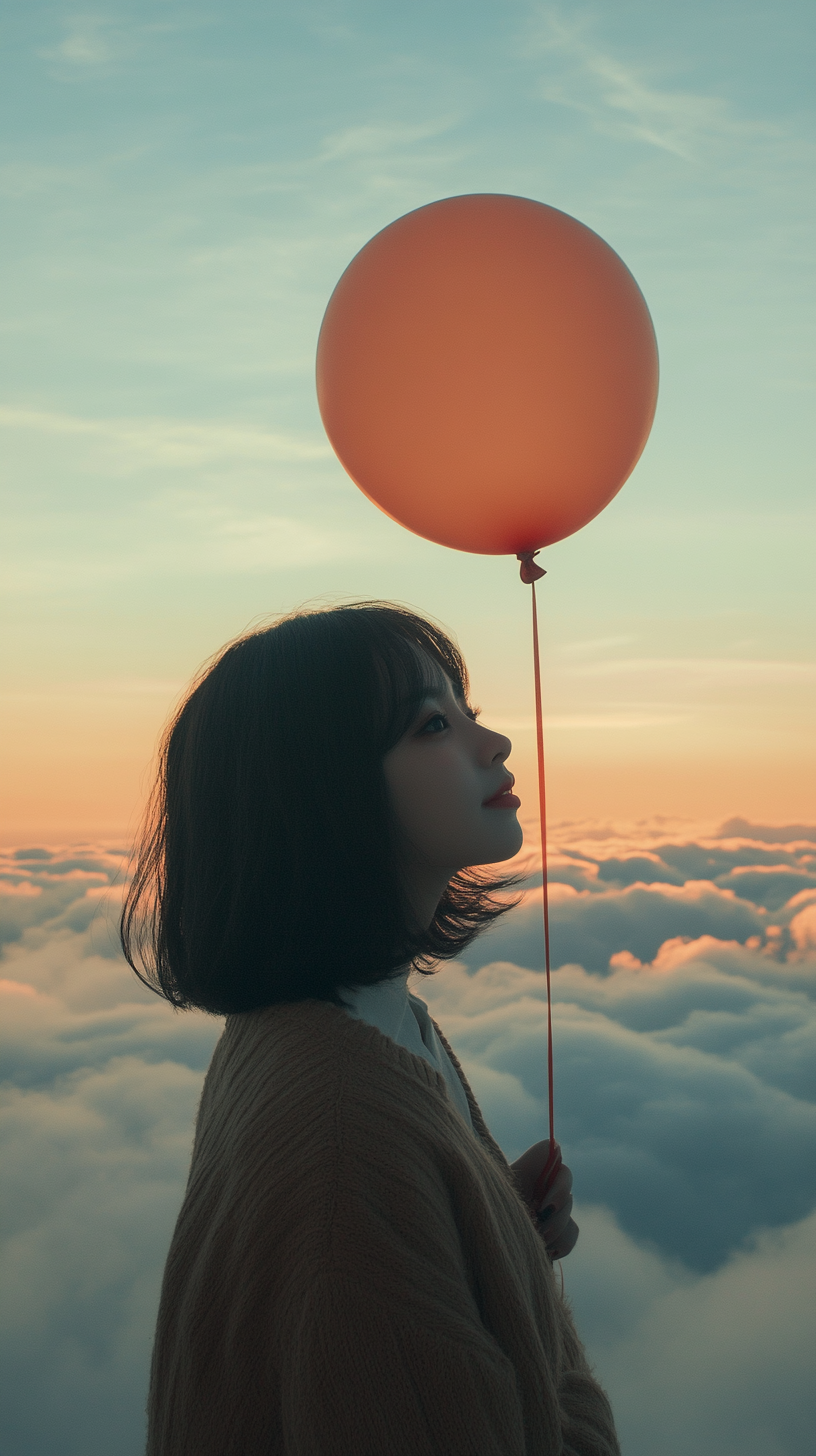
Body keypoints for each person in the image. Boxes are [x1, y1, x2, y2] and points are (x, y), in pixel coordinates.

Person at [121, 601, 619, 1456]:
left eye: (468, 712)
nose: (491, 744)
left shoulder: (360, 1027)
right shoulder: (349, 1141)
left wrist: (495, 1238)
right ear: (324, 792)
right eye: (432, 724)